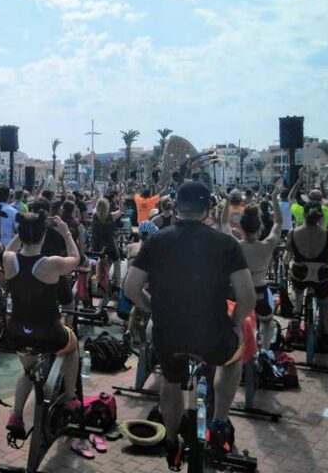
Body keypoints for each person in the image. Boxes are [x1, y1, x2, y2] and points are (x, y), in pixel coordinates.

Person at [123, 181, 255, 468]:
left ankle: (171, 442)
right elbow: (247, 297)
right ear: (207, 209)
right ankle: (219, 421)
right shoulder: (226, 243)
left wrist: (153, 307)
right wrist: (234, 324)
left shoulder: (156, 240)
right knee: (233, 360)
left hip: (169, 334)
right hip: (213, 335)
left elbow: (131, 288)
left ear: (177, 209)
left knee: (171, 381)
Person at [3, 212, 82, 438]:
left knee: (28, 371)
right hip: (49, 333)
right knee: (73, 346)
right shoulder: (50, 264)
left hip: (18, 332)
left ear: (21, 235)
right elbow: (76, 258)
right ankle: (70, 397)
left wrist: (22, 232)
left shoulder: (9, 259)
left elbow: (10, 248)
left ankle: (16, 415)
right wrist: (66, 232)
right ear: (43, 235)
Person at [284, 201, 328, 353]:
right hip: (322, 275)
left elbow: (288, 248)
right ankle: (327, 335)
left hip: (300, 272)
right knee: (324, 302)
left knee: (297, 290)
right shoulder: (327, 233)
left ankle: (296, 314)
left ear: (304, 214)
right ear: (320, 216)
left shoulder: (293, 233)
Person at [238, 181, 283, 349]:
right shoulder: (267, 245)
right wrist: (274, 198)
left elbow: (223, 225)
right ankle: (265, 350)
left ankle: (239, 348)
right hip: (260, 291)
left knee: (237, 322)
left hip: (240, 291)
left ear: (242, 228)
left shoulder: (235, 246)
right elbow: (278, 223)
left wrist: (227, 200)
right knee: (267, 322)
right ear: (260, 229)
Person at [90, 197, 124, 294]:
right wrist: (120, 201)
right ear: (107, 207)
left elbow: (94, 208)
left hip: (97, 246)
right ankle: (118, 285)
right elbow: (121, 211)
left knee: (98, 260)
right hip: (109, 245)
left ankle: (95, 280)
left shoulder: (94, 216)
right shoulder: (111, 216)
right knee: (117, 261)